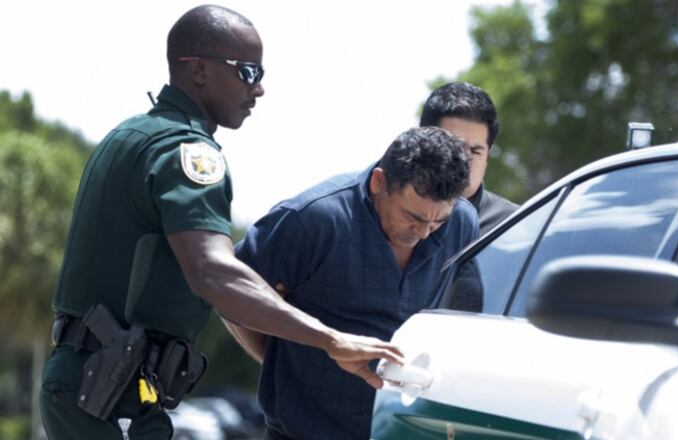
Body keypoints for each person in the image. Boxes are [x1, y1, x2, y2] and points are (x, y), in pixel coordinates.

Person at [39, 5, 402, 440]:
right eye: (248, 72)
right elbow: (213, 271)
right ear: (199, 70)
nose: (259, 88)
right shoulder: (188, 153)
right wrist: (330, 339)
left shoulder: (131, 135)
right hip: (107, 390)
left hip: (99, 382)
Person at [228, 126, 479, 440]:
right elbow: (233, 292)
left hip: (405, 430)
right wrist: (278, 361)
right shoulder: (313, 219)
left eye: (438, 221)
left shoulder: (463, 223)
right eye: (412, 217)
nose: (424, 232)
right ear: (379, 182)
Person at [420, 82, 519, 234]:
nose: (464, 161)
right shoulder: (392, 213)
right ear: (422, 146)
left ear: (487, 157)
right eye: (454, 148)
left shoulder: (514, 225)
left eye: (475, 151)